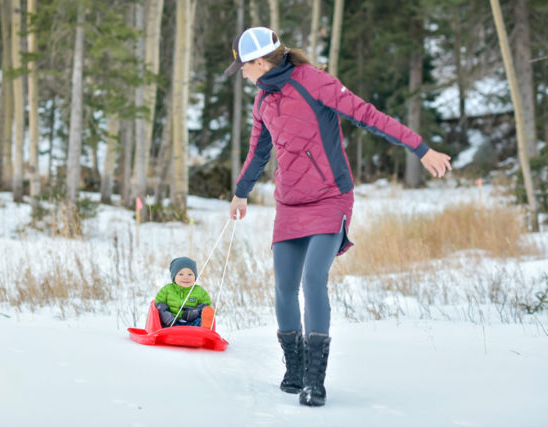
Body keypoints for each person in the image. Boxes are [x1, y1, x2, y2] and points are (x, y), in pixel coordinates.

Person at [225, 27, 452, 407]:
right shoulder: (263, 100)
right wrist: (241, 191)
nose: (242, 75)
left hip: (331, 197)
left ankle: (316, 379)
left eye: (242, 68)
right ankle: (294, 369)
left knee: (314, 279)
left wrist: (421, 149)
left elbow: (368, 116)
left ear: (259, 62)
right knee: (284, 287)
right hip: (290, 203)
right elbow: (258, 151)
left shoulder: (314, 82)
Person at [155, 256, 215, 329]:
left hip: (191, 323)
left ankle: (204, 328)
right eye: (181, 274)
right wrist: (166, 315)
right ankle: (165, 333)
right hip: (171, 323)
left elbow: (206, 305)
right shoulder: (167, 289)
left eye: (190, 274)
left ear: (195, 277)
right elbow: (159, 303)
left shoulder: (199, 291)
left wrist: (196, 311)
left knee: (199, 320)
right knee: (163, 324)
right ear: (174, 278)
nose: (186, 277)